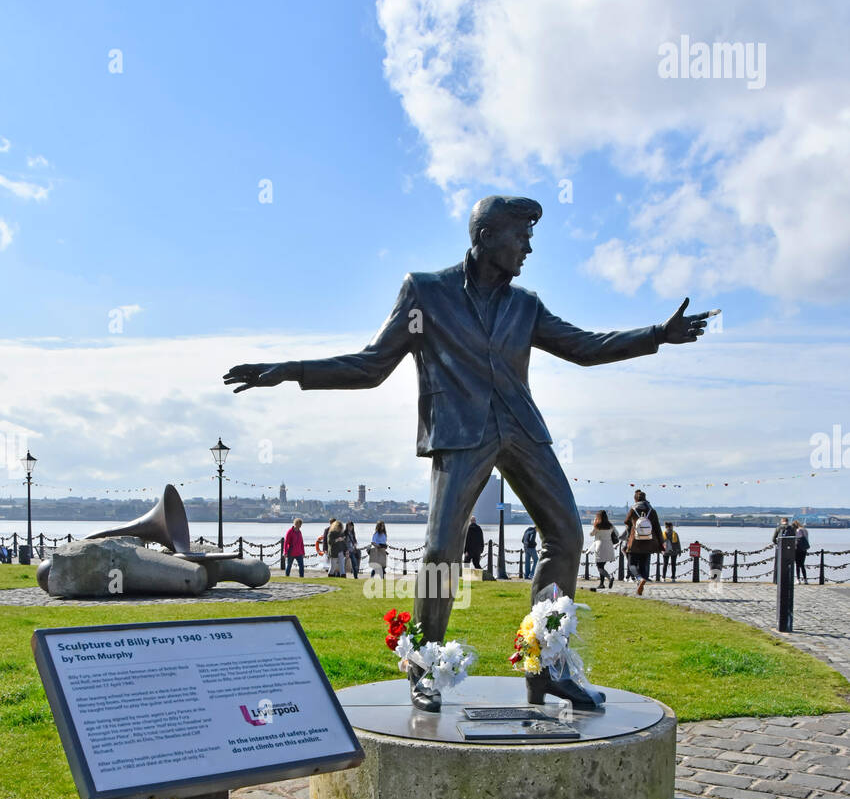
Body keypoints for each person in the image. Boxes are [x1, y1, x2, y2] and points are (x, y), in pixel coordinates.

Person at [225, 194, 715, 711]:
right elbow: (371, 366)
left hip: (522, 429)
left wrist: (658, 335)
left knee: (567, 535)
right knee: (440, 550)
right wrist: (293, 369)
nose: (529, 247)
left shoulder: (525, 305)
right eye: (520, 237)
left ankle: (545, 667)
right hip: (459, 434)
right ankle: (424, 666)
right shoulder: (426, 294)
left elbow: (585, 347)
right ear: (484, 237)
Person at [624, 490, 664, 595]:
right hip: (648, 542)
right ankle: (640, 584)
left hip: (635, 542)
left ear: (635, 499)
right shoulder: (652, 511)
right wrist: (661, 543)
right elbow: (657, 528)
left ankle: (639, 578)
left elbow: (626, 521)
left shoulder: (633, 510)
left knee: (631, 564)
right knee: (643, 565)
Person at [588, 511, 617, 590]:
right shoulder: (610, 525)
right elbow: (617, 534)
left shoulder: (598, 526)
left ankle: (609, 577)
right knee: (602, 566)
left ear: (598, 517)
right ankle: (601, 584)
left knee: (599, 566)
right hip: (609, 546)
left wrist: (594, 523)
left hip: (600, 546)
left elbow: (591, 534)